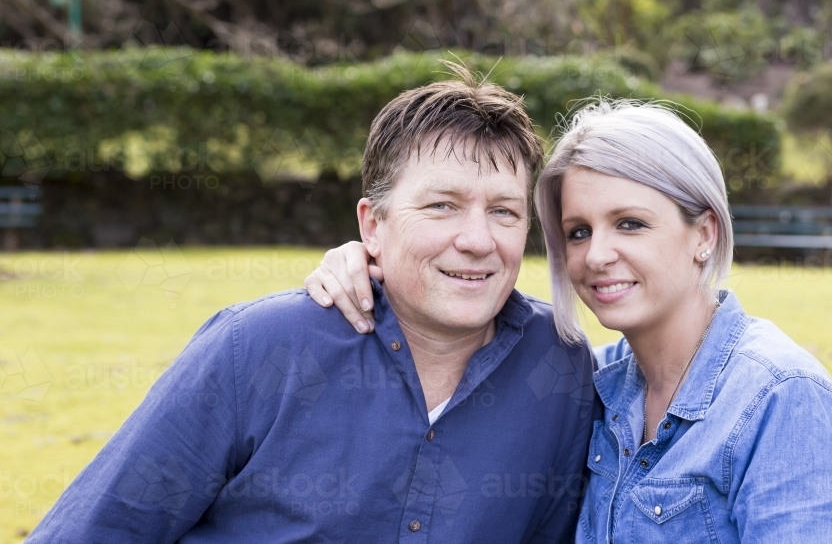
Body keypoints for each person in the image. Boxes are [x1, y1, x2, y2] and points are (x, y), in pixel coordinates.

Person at [27, 69, 595, 543]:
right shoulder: (256, 348)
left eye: (504, 211)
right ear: (373, 225)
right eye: (443, 205)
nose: (478, 239)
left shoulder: (561, 365)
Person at [306, 101, 832, 542]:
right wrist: (368, 260)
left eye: (630, 223)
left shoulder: (780, 400)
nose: (596, 255)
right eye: (578, 231)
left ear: (704, 234)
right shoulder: (586, 383)